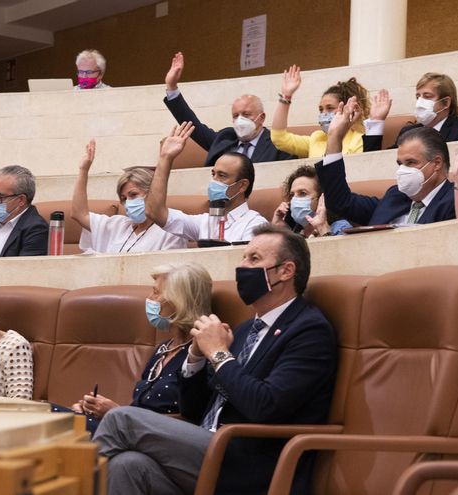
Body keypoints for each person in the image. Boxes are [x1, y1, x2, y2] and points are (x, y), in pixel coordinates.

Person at [93, 224, 338, 495]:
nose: (242, 266)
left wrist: (219, 355)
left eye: (254, 259)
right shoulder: (246, 329)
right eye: (244, 257)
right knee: (128, 466)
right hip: (210, 446)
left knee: (121, 420)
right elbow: (194, 410)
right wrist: (196, 358)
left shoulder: (308, 331)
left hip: (252, 466)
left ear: (286, 271)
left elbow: (266, 406)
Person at [71, 261, 213, 432]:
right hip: (129, 431)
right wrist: (96, 411)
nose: (149, 299)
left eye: (156, 293)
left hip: (158, 438)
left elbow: (192, 418)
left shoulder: (200, 352)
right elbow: (141, 409)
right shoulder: (163, 349)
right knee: (62, 417)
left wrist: (116, 412)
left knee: (58, 421)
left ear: (179, 301)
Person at [317, 97, 458, 226]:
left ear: (437, 164)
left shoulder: (456, 202)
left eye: (411, 163)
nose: (403, 170)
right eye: (400, 163)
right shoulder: (395, 196)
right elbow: (339, 202)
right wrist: (334, 137)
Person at [163, 52, 296, 167]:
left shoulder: (278, 144)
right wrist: (171, 87)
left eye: (246, 114)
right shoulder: (224, 139)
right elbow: (194, 126)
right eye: (235, 115)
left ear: (261, 118)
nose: (240, 119)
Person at [145, 122, 269, 243]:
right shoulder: (205, 222)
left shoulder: (255, 225)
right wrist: (165, 158)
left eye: (222, 175)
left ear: (242, 185)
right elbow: (155, 212)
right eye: (213, 174)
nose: (214, 181)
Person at [71, 140, 186, 253]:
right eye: (124, 198)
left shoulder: (171, 229)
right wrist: (83, 170)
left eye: (133, 195)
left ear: (152, 193)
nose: (128, 203)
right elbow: (79, 214)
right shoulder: (118, 225)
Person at [270, 65, 386, 156]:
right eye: (321, 110)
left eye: (330, 108)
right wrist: (286, 96)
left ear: (347, 109)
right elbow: (279, 138)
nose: (324, 113)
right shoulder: (316, 138)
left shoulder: (358, 139)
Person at [364, 72, 458, 149]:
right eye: (418, 96)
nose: (420, 102)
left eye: (427, 96)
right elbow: (375, 162)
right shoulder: (408, 132)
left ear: (446, 103)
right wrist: (376, 121)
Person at [271, 164, 353, 237]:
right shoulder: (295, 230)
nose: (294, 200)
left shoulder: (341, 227)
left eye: (302, 193)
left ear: (322, 197)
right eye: (292, 195)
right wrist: (277, 231)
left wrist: (323, 229)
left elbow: (341, 254)